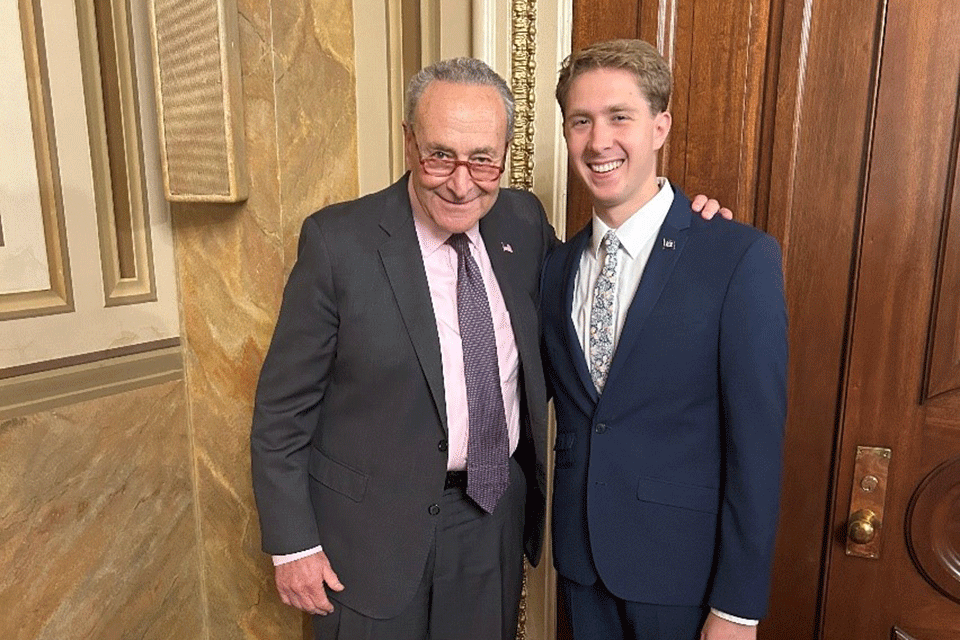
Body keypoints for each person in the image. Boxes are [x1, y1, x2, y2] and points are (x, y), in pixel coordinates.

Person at [251, 56, 725, 640]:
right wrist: (292, 543)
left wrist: (683, 231)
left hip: (490, 521)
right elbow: (281, 411)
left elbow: (608, 278)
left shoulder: (522, 224)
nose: (460, 180)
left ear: (504, 153)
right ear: (408, 143)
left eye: (482, 159)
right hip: (367, 541)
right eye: (439, 155)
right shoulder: (337, 242)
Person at [541, 39, 788, 640]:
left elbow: (757, 449)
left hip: (686, 584)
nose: (599, 141)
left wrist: (738, 607)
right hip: (580, 569)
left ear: (660, 126)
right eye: (581, 121)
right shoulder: (554, 266)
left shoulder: (735, 257)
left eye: (619, 116)